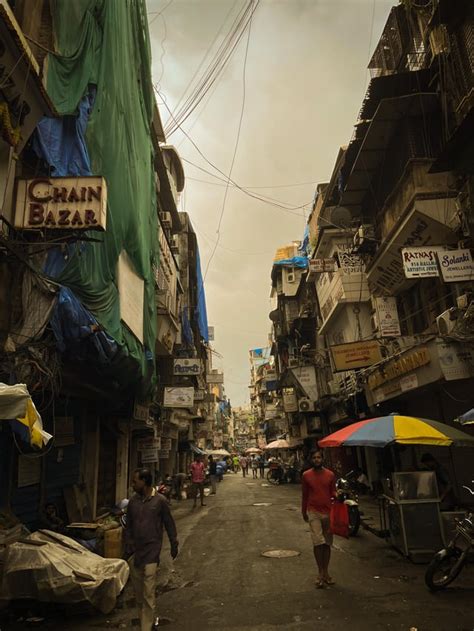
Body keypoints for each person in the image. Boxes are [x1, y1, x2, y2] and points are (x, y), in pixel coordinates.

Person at [125, 468, 178, 630]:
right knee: (139, 594)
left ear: (145, 482)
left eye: (135, 481)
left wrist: (173, 544)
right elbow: (129, 525)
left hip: (152, 552)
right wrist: (128, 545)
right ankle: (146, 621)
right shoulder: (133, 502)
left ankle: (145, 627)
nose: (133, 485)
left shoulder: (160, 501)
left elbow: (169, 523)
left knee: (148, 591)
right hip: (136, 553)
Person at [301, 449, 337, 589]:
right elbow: (304, 494)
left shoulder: (330, 475)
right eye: (314, 457)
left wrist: (337, 494)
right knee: (317, 543)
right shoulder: (306, 475)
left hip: (328, 512)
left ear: (322, 459)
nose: (317, 460)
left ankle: (326, 572)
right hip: (313, 511)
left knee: (327, 543)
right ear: (311, 460)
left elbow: (332, 491)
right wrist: (303, 511)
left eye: (319, 457)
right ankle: (320, 572)